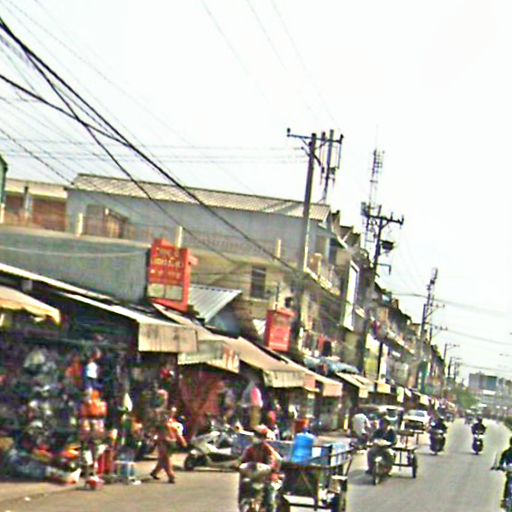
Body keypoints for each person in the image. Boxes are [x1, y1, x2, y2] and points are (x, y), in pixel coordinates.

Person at [240, 425, 281, 512]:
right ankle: (243, 503)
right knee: (244, 484)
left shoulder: (268, 450)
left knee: (270, 494)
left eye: (259, 436)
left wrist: (271, 468)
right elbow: (243, 460)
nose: (256, 437)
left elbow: (272, 461)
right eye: (256, 435)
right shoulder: (249, 449)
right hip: (252, 476)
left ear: (264, 438)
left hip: (265, 477)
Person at [150, 407, 187, 483]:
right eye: (170, 412)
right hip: (162, 441)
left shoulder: (173, 422)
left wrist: (182, 441)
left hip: (171, 442)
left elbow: (177, 433)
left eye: (173, 412)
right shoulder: (162, 421)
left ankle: (155, 472)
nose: (171, 413)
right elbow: (155, 431)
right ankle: (171, 475)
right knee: (166, 459)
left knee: (163, 459)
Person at [499, 437, 512, 507]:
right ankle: (505, 498)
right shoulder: (506, 452)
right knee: (508, 483)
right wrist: (500, 466)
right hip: (510, 472)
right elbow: (501, 461)